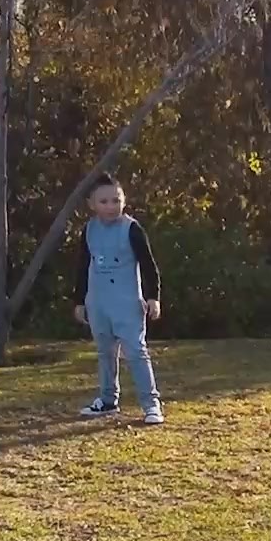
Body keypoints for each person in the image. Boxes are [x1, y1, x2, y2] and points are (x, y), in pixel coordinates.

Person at [73, 174, 164, 424]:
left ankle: (151, 404)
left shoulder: (132, 229)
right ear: (92, 204)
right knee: (105, 352)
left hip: (127, 303)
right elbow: (83, 266)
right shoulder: (89, 230)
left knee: (136, 352)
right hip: (98, 303)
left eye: (116, 200)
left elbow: (148, 264)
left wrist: (152, 296)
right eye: (104, 201)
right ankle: (107, 400)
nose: (111, 206)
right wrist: (80, 301)